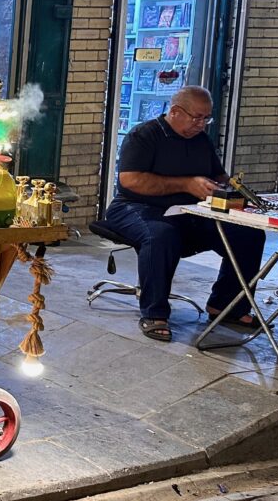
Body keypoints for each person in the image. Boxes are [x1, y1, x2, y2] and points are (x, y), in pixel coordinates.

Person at [105, 86, 265, 342]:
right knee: (161, 235)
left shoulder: (201, 140)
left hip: (190, 210)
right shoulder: (144, 135)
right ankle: (154, 312)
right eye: (197, 117)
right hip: (136, 207)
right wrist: (185, 184)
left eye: (206, 119)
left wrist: (232, 189)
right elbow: (130, 180)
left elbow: (218, 174)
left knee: (248, 235)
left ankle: (227, 305)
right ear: (176, 112)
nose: (202, 124)